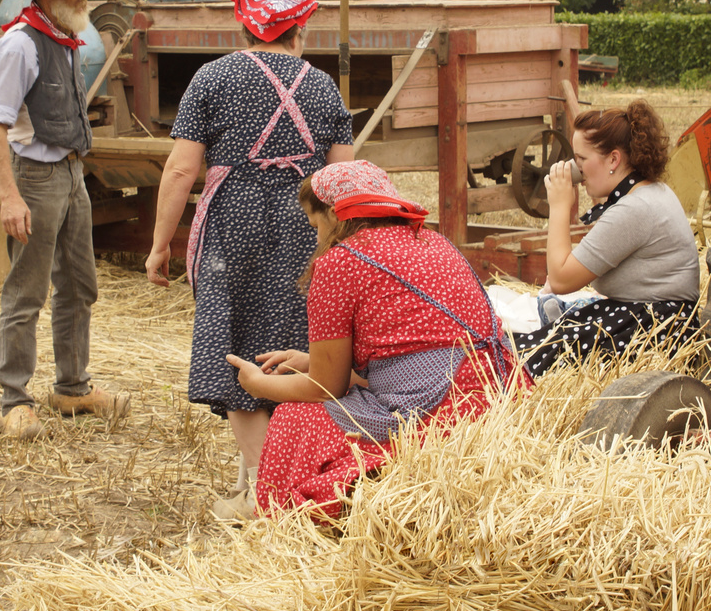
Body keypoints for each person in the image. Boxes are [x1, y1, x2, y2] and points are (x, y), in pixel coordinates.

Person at [145, 0, 353, 512]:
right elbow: (344, 177)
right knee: (289, 341)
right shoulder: (325, 87)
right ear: (297, 34)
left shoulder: (211, 78)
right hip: (305, 223)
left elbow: (179, 170)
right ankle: (268, 478)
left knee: (234, 340)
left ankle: (264, 490)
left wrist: (159, 245)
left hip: (232, 226)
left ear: (246, 32)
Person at [220, 160, 520, 521]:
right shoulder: (432, 240)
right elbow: (413, 350)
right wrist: (309, 360)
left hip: (433, 409)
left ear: (334, 214)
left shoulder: (340, 261)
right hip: (497, 391)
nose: (316, 238)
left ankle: (276, 514)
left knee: (296, 418)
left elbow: (324, 388)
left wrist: (260, 384)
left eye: (316, 225)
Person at [0, 0, 130, 441]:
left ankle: (71, 388)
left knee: (79, 286)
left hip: (70, 176)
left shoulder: (65, 36)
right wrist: (10, 196)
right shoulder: (19, 44)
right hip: (35, 178)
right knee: (27, 292)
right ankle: (15, 401)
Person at [511, 97, 700, 377]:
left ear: (613, 159)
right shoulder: (647, 192)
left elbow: (561, 279)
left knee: (523, 360)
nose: (577, 170)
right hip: (653, 318)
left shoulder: (635, 208)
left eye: (582, 160)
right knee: (531, 343)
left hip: (654, 330)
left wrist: (560, 206)